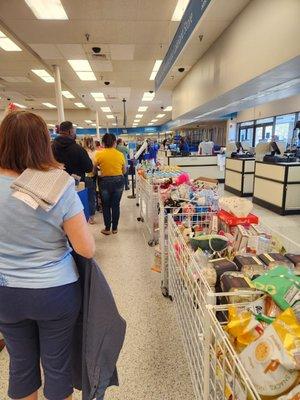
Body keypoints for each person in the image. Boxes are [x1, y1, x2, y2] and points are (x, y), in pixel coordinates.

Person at [0, 111, 95, 400]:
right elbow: (86, 248)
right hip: (55, 291)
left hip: (5, 292)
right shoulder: (59, 183)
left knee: (20, 366)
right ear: (44, 142)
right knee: (57, 367)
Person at [95, 133, 125, 235]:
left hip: (104, 182)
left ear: (103, 143)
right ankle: (115, 228)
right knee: (116, 205)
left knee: (106, 206)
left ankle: (107, 229)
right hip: (118, 181)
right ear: (114, 142)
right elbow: (124, 170)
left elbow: (94, 169)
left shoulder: (99, 154)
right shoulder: (120, 155)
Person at [83, 136, 98, 224]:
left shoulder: (82, 152)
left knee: (87, 196)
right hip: (93, 175)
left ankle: (88, 215)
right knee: (92, 196)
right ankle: (91, 215)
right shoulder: (95, 152)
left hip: (85, 176)